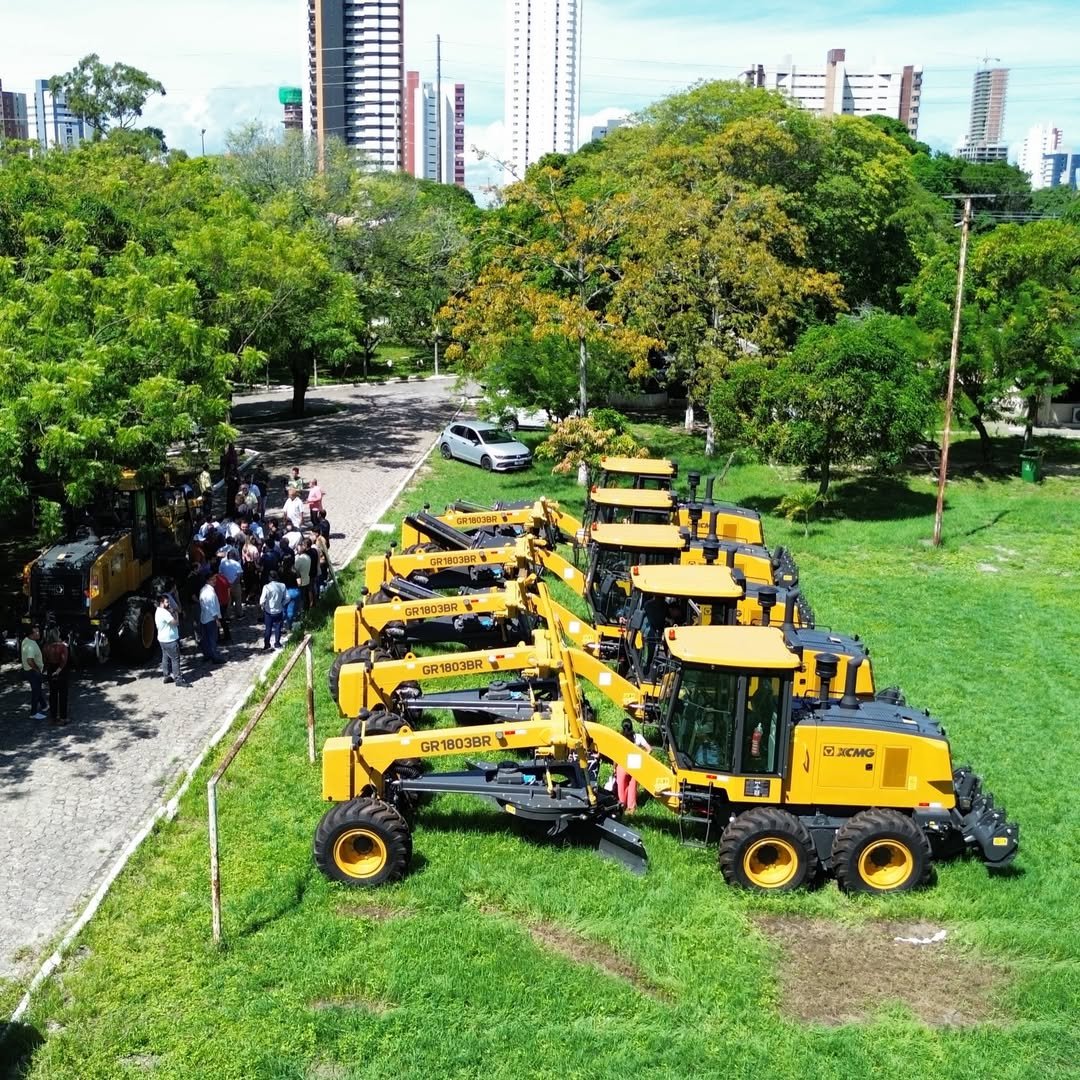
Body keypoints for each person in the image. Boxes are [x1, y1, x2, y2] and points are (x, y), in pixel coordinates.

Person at [615, 720, 651, 814]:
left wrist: (614, 766)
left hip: (622, 765)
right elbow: (649, 749)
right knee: (632, 786)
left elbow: (616, 753)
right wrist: (642, 757)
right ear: (632, 726)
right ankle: (631, 808)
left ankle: (622, 806)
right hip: (635, 765)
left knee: (621, 787)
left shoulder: (620, 737)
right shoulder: (638, 737)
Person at [155, 594, 187, 686]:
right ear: (161, 603)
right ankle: (178, 680)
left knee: (165, 658)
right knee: (175, 659)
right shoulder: (164, 613)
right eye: (167, 602)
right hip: (170, 640)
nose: (169, 603)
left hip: (162, 640)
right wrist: (176, 613)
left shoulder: (158, 611)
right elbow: (175, 623)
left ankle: (166, 676)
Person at [42, 630, 71, 724]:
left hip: (50, 669)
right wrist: (58, 671)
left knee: (53, 694)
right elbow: (64, 661)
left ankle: (53, 717)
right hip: (61, 672)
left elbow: (45, 660)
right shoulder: (63, 646)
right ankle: (63, 717)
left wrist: (46, 671)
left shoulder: (46, 647)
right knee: (63, 694)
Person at [20, 625, 48, 721]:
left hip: (28, 670)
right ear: (31, 634)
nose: (39, 633)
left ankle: (44, 705)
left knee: (37, 689)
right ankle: (33, 713)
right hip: (33, 671)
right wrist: (37, 670)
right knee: (36, 692)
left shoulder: (26, 640)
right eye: (36, 632)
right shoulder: (31, 645)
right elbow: (30, 660)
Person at [198, 576, 224, 662]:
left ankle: (207, 655)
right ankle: (215, 657)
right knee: (212, 638)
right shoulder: (210, 593)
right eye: (212, 579)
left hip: (204, 617)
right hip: (210, 619)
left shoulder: (203, 589)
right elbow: (213, 609)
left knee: (205, 638)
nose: (215, 581)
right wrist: (217, 620)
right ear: (208, 580)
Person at [260, 571, 287, 650]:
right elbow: (287, 597)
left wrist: (263, 606)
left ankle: (267, 644)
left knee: (268, 628)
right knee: (278, 627)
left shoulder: (266, 587)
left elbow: (261, 601)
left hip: (269, 611)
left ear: (269, 578)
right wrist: (282, 604)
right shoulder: (282, 586)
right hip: (279, 610)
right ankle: (277, 643)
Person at [294, 541, 313, 613]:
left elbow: (295, 569)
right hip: (307, 579)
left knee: (301, 598)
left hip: (301, 582)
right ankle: (307, 610)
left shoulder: (299, 559)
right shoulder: (308, 557)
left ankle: (301, 612)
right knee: (306, 596)